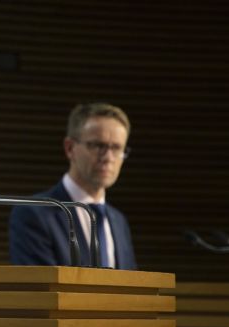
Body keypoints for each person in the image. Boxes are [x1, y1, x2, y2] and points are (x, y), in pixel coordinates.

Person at [8, 102, 136, 269]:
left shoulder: (118, 221)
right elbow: (41, 290)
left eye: (117, 148)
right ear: (70, 148)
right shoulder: (33, 213)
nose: (108, 157)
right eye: (98, 146)